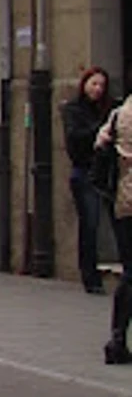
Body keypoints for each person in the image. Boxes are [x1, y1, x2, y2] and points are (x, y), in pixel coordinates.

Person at [62, 68, 112, 294]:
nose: (98, 89)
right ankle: (90, 277)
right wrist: (99, 130)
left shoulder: (109, 109)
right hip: (84, 172)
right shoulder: (74, 110)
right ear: (84, 85)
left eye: (101, 85)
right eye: (94, 84)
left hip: (108, 173)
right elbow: (74, 138)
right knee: (90, 224)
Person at [93, 95, 132, 364]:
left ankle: (117, 338)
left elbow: (100, 143)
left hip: (123, 201)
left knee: (130, 269)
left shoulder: (119, 113)